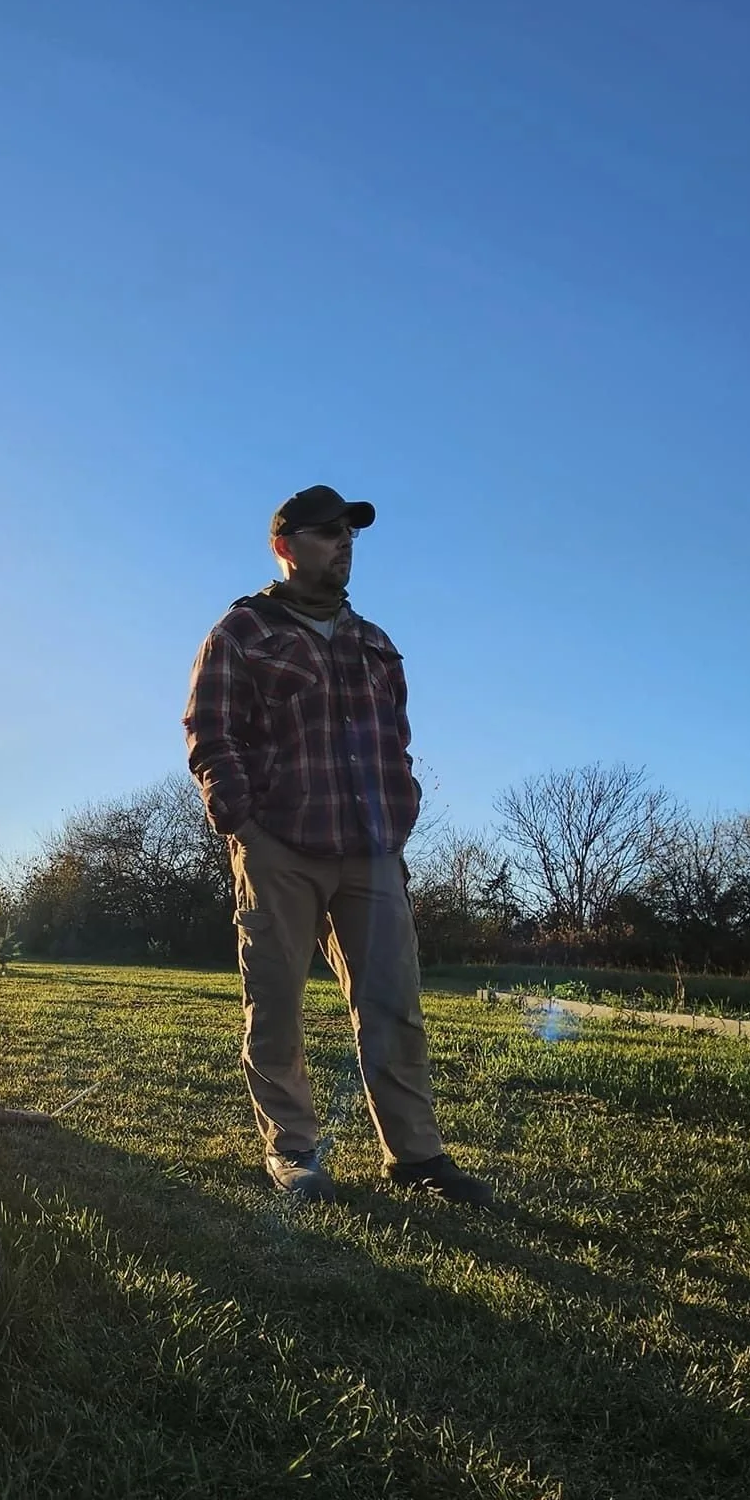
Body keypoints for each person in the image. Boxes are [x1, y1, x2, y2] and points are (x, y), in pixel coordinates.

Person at [183, 483, 493, 1206]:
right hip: (280, 847)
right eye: (327, 534)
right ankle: (294, 1152)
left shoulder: (374, 643)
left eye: (350, 534)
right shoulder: (242, 633)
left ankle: (416, 1158)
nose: (344, 544)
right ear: (285, 547)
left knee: (394, 1005)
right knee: (277, 1007)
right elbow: (210, 737)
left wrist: (401, 814)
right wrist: (247, 831)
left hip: (372, 850)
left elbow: (397, 744)